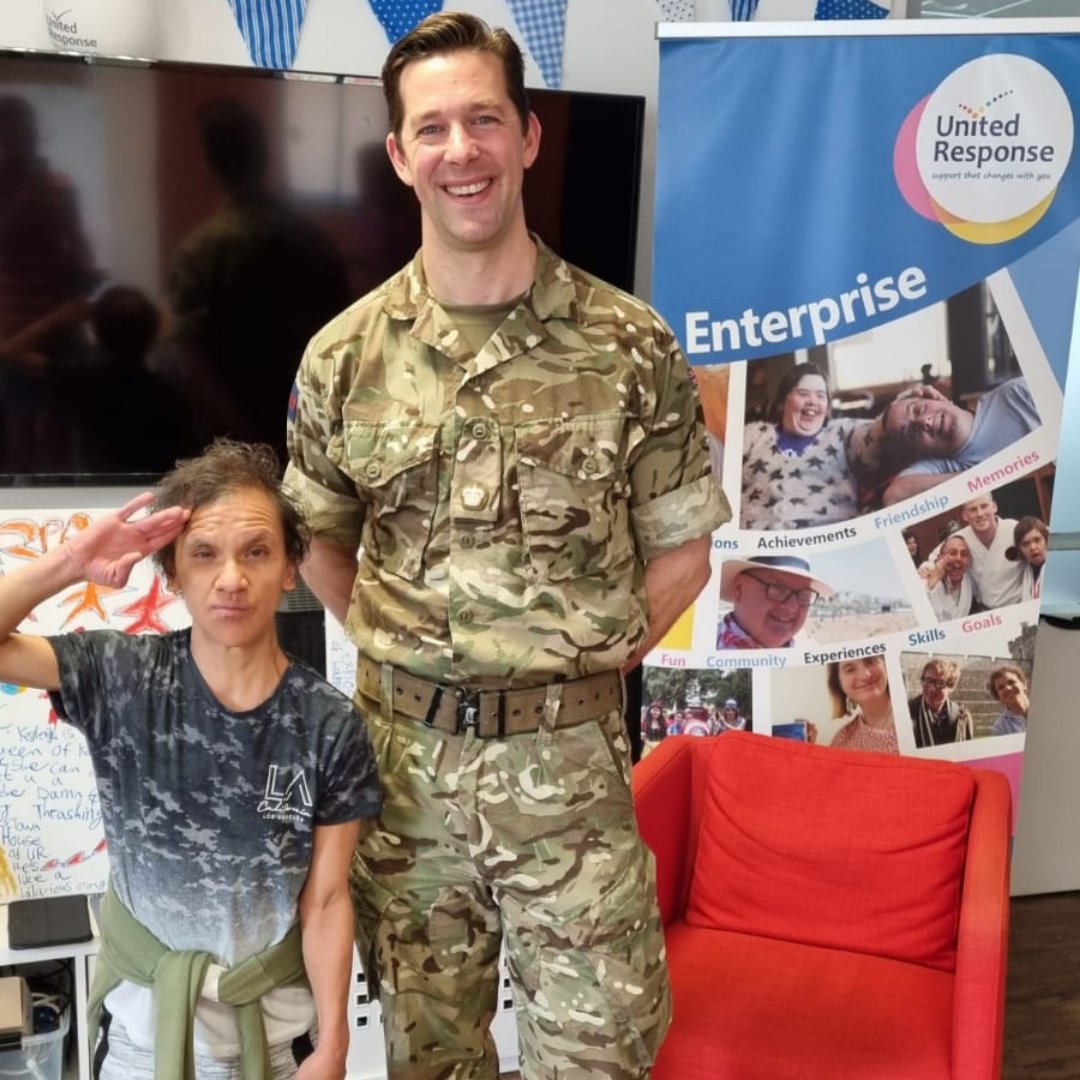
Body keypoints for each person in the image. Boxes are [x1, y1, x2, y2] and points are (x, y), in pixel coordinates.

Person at [283, 13, 731, 1079]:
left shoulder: (629, 345)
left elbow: (683, 549)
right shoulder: (343, 356)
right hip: (403, 779)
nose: (461, 150)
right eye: (432, 128)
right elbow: (319, 542)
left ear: (528, 136)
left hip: (570, 774)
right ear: (399, 155)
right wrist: (410, 658)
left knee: (602, 1053)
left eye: (484, 119)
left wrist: (582, 660)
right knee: (429, 1056)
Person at [0, 439, 381, 1080]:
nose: (231, 578)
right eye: (204, 554)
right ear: (174, 571)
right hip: (139, 1043)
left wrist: (335, 1047)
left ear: (291, 567)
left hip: (280, 1042)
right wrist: (68, 562)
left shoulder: (329, 723)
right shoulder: (121, 675)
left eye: (256, 552)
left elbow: (327, 899)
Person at [158, 98, 351, 464]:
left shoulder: (202, 249)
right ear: (265, 158)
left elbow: (187, 362)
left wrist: (251, 439)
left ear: (208, 165)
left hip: (228, 451)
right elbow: (344, 344)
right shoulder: (313, 239)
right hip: (308, 435)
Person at [740, 362, 876, 530]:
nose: (813, 401)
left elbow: (878, 435)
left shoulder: (840, 434)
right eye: (803, 394)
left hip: (827, 538)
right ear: (783, 401)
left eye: (820, 395)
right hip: (755, 543)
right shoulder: (755, 434)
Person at [878, 377, 1039, 505]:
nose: (924, 422)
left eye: (918, 409)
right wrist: (984, 477)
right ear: (921, 450)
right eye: (913, 433)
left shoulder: (1015, 395)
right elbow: (893, 496)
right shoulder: (942, 466)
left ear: (937, 397)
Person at [919, 494, 1023, 609]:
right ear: (965, 515)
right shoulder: (960, 539)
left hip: (1021, 603)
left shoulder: (1014, 528)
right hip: (988, 612)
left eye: (984, 506)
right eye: (973, 509)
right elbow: (935, 558)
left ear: (994, 507)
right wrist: (926, 567)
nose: (980, 514)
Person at [717, 554, 833, 649]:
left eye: (803, 595)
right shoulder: (703, 646)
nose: (791, 607)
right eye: (778, 589)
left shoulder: (810, 649)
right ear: (739, 589)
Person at [826, 656, 899, 754]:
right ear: (838, 682)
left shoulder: (916, 714)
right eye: (850, 669)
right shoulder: (841, 741)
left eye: (870, 661)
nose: (866, 674)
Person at [909, 658, 974, 748]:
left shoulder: (962, 716)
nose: (932, 689)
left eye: (940, 683)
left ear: (951, 687)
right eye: (928, 681)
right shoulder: (907, 713)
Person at [926, 531, 981, 621]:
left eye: (964, 554)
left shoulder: (968, 581)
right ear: (940, 557)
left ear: (969, 561)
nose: (958, 558)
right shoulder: (928, 582)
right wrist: (932, 582)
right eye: (952, 553)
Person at [1006, 515, 1049, 601]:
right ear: (1020, 549)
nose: (1033, 547)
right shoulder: (1026, 571)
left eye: (1037, 540)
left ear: (1047, 540)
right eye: (1025, 544)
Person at [989, 663, 1030, 736]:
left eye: (1011, 682)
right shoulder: (1000, 728)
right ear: (999, 698)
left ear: (1024, 685)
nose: (1008, 688)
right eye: (1001, 687)